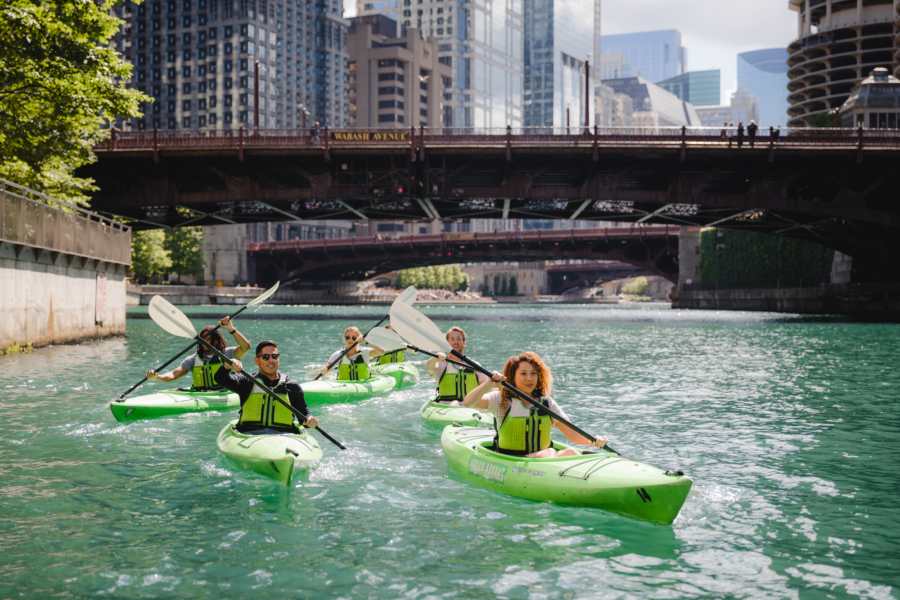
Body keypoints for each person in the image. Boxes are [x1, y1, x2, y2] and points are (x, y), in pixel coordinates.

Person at [463, 352, 607, 458]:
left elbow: (571, 433)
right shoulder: (500, 399)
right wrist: (488, 384)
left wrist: (593, 442)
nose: (529, 378)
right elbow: (468, 403)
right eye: (523, 373)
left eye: (533, 373)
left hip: (542, 458)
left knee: (572, 452)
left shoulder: (547, 403)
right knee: (550, 452)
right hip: (513, 459)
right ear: (513, 376)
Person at [214, 340, 318, 434]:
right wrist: (227, 366)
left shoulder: (292, 385)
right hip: (249, 435)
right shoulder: (246, 382)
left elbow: (304, 416)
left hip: (284, 437)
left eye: (275, 356)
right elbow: (220, 379)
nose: (271, 360)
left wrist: (310, 419)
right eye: (265, 357)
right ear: (257, 361)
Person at [146, 317, 251, 389]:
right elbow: (174, 375)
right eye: (204, 339)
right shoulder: (192, 359)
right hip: (200, 394)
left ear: (217, 341)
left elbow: (246, 347)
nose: (205, 342)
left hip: (223, 394)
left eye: (209, 339)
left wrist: (231, 329)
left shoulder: (227, 354)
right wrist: (157, 377)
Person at [423, 326, 487, 405]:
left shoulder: (475, 366)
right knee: (454, 403)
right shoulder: (441, 364)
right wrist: (435, 359)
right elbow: (428, 369)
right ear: (447, 344)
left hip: (470, 408)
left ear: (464, 343)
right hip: (446, 407)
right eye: (452, 339)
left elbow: (485, 390)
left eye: (459, 339)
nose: (455, 342)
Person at [318, 326, 386, 381]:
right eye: (348, 337)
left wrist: (366, 342)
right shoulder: (338, 355)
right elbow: (326, 369)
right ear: (344, 338)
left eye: (354, 338)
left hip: (363, 385)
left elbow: (382, 352)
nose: (350, 340)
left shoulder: (364, 352)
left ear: (358, 339)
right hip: (344, 386)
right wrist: (324, 371)